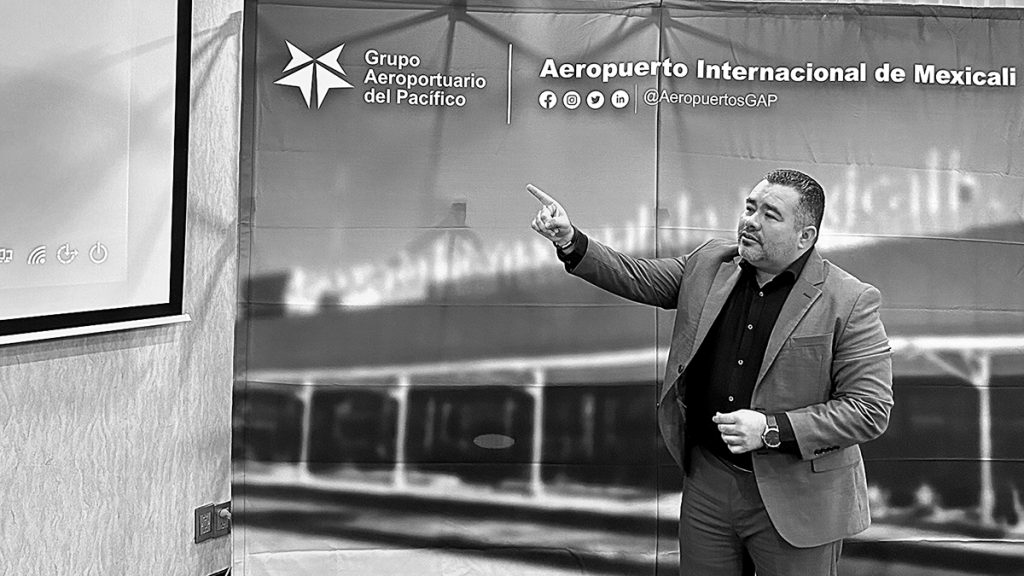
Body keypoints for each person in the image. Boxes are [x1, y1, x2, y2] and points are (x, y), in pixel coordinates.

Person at [527, 170, 893, 576]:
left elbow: (869, 410)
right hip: (709, 482)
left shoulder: (850, 300)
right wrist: (571, 241)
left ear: (805, 236)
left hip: (799, 495)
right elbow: (637, 276)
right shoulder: (709, 264)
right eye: (750, 208)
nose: (750, 221)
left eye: (770, 215)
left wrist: (771, 429)